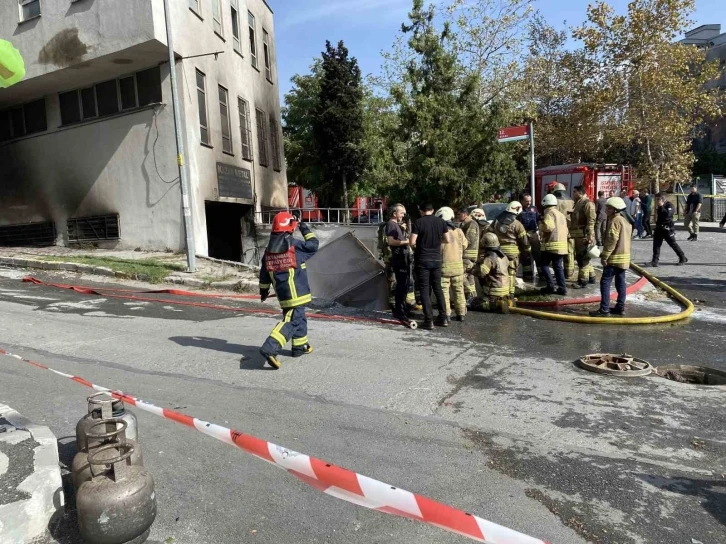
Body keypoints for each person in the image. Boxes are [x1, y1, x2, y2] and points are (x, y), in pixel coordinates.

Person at [259, 211, 318, 369]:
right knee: (293, 320)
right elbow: (313, 245)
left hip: (283, 295)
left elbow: (264, 274)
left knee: (299, 318)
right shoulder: (294, 245)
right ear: (291, 226)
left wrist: (263, 291)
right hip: (297, 293)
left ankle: (300, 346)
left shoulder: (268, 250)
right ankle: (270, 347)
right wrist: (303, 226)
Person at [410, 203, 452, 329]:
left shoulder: (418, 222)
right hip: (437, 259)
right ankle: (443, 318)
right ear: (433, 210)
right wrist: (437, 242)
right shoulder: (441, 222)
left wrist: (418, 247)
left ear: (421, 211)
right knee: (437, 287)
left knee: (424, 288)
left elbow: (412, 241)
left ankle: (429, 320)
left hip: (423, 259)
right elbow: (448, 239)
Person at [589, 197, 632, 317]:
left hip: (614, 258)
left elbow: (612, 240)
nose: (606, 209)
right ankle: (620, 307)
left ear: (616, 209)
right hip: (624, 258)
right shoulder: (625, 221)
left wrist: (605, 256)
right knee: (620, 282)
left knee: (605, 282)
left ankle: (604, 309)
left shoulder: (615, 221)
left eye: (609, 208)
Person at [487, 201, 530, 299]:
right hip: (512, 253)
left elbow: (489, 232)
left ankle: (500, 292)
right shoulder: (517, 224)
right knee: (511, 273)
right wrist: (528, 250)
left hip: (499, 252)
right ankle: (510, 294)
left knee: (500, 272)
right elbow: (524, 240)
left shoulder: (496, 221)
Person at [437, 207, 468, 322]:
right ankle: (461, 314)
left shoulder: (440, 232)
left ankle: (447, 314)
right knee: (459, 290)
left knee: (444, 291)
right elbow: (465, 245)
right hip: (458, 266)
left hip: (444, 266)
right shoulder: (458, 231)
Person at [469, 233, 511, 313]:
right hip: (505, 291)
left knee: (472, 302)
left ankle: (495, 305)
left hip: (493, 293)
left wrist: (471, 270)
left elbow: (481, 273)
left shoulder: (489, 259)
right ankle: (503, 301)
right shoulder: (504, 257)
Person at [385, 204, 412, 320]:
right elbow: (391, 241)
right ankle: (399, 310)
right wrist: (406, 242)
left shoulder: (396, 225)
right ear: (394, 214)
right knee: (401, 284)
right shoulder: (391, 224)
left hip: (403, 258)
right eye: (401, 213)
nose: (403, 215)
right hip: (399, 259)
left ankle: (402, 307)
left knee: (405, 283)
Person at [539, 194, 569, 295]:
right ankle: (562, 288)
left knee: (544, 265)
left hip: (551, 245)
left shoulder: (549, 213)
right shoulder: (560, 214)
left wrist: (540, 226)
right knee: (558, 267)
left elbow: (548, 227)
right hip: (562, 246)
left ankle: (550, 286)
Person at [647, 192, 688, 267]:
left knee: (673, 244)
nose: (656, 201)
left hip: (667, 228)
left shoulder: (670, 205)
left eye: (658, 199)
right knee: (656, 245)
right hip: (659, 228)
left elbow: (667, 216)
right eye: (656, 199)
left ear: (662, 199)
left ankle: (682, 257)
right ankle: (655, 261)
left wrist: (661, 207)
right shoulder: (659, 206)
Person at [570, 185, 597, 288]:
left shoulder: (587, 203)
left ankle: (582, 281)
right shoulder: (578, 203)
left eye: (574, 192)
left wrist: (590, 235)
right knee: (585, 257)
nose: (573, 194)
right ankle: (592, 276)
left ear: (580, 193)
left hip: (584, 236)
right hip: (578, 236)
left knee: (583, 258)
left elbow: (591, 220)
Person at [552, 183, 576, 281]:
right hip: (570, 230)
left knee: (557, 252)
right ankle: (569, 273)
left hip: (559, 231)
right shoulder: (571, 200)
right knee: (570, 252)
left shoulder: (555, 201)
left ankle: (559, 272)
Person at [457, 208, 480, 303]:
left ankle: (470, 294)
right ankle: (473, 298)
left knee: (459, 275)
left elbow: (469, 240)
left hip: (468, 255)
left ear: (464, 214)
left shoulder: (471, 224)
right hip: (467, 255)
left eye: (459, 214)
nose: (457, 216)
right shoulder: (466, 224)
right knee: (470, 277)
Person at [519, 194, 541, 282]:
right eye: (526, 201)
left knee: (538, 253)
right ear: (522, 201)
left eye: (530, 201)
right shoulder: (518, 210)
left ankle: (542, 273)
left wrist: (540, 228)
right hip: (524, 235)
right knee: (525, 254)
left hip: (534, 234)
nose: (529, 203)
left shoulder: (534, 209)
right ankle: (527, 274)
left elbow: (538, 219)